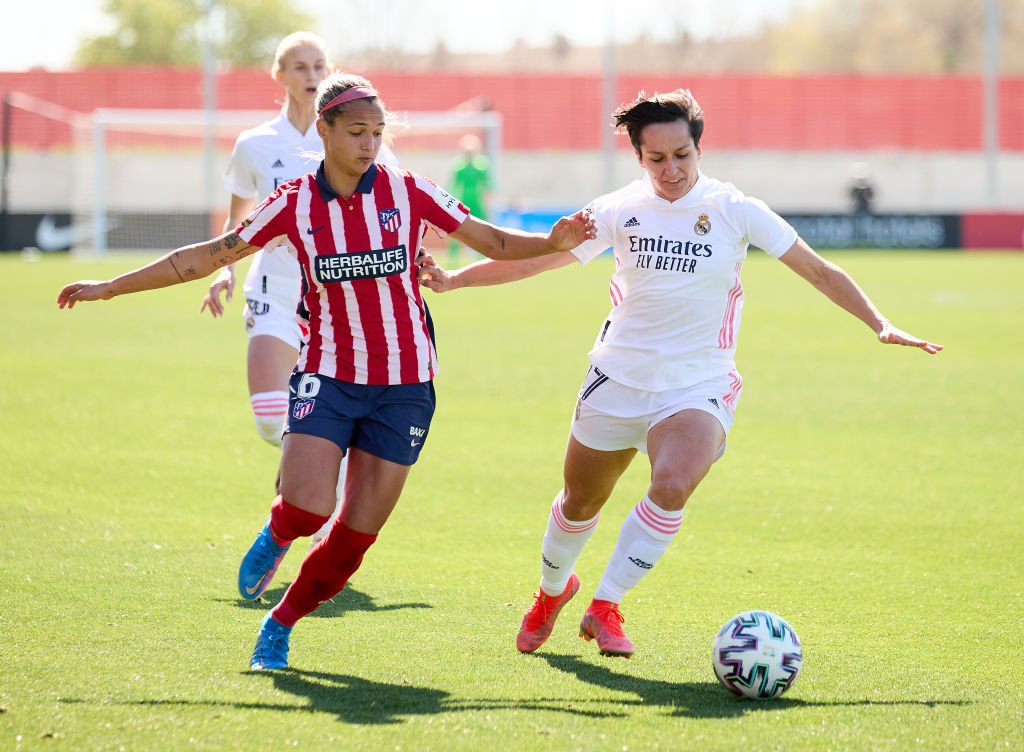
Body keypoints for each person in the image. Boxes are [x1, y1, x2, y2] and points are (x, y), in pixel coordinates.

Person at [57, 72, 596, 671]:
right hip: (329, 375)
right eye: (358, 131)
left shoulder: (408, 189)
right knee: (309, 508)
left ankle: (280, 622)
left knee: (352, 540)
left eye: (378, 132)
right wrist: (110, 287)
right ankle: (280, 529)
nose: (370, 144)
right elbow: (208, 255)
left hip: (406, 386)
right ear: (325, 130)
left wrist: (552, 240)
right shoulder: (292, 204)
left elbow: (490, 241)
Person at [417, 88, 942, 659]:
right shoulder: (617, 210)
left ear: (699, 148)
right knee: (578, 503)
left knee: (672, 484)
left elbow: (815, 269)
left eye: (682, 155)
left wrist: (879, 322)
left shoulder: (736, 208)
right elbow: (541, 259)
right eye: (657, 159)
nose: (672, 169)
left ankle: (605, 604)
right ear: (639, 158)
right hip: (616, 378)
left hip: (699, 382)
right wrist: (455, 280)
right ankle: (551, 593)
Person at [197, 32, 397, 548]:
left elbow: (395, 214)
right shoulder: (255, 144)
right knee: (270, 419)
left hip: (339, 303)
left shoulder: (360, 138)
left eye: (318, 66)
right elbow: (237, 220)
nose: (310, 75)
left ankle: (307, 511)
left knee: (326, 416)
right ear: (279, 76)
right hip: (275, 291)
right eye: (299, 67)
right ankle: (305, 490)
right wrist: (224, 271)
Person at [447, 134, 492, 263]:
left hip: (477, 203)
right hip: (463, 201)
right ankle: (453, 256)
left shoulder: (482, 166)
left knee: (482, 229)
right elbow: (453, 185)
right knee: (455, 228)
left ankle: (482, 255)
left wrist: (488, 200)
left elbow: (487, 185)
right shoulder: (458, 167)